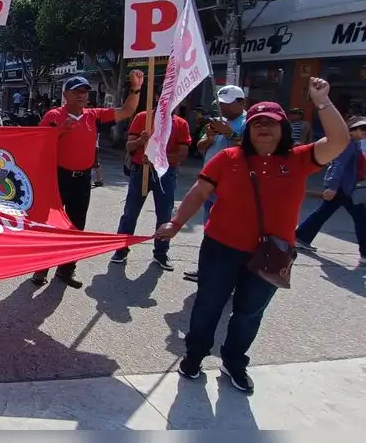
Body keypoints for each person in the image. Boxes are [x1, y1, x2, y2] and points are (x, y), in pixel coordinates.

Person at [155, 80, 348, 394]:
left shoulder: (299, 159)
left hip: (272, 253)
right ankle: (194, 356)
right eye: (257, 122)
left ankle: (233, 362)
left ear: (283, 129)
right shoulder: (228, 158)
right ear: (248, 130)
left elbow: (339, 141)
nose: (263, 128)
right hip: (220, 249)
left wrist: (323, 102)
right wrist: (176, 223)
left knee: (248, 313)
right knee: (208, 305)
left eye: (270, 123)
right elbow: (199, 192)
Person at [31, 72, 143, 288]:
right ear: (66, 95)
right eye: (77, 92)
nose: (82, 96)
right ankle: (40, 269)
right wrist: (60, 132)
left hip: (82, 180)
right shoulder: (54, 115)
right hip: (57, 177)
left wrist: (135, 89)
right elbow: (39, 142)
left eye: (85, 92)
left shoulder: (94, 115)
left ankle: (66, 269)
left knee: (76, 227)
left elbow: (127, 111)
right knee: (49, 226)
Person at [110, 108, 192, 269]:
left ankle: (161, 252)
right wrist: (141, 140)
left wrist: (158, 157)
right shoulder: (143, 118)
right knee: (130, 213)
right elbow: (129, 147)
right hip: (141, 170)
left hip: (166, 173)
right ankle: (121, 249)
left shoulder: (180, 124)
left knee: (164, 215)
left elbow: (182, 154)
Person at [183, 85, 247, 282]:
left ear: (241, 103)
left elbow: (250, 149)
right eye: (220, 105)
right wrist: (209, 137)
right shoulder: (218, 121)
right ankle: (205, 270)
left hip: (233, 186)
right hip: (210, 184)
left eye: (226, 105)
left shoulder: (249, 122)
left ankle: (228, 275)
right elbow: (200, 146)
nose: (222, 109)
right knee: (209, 229)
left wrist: (229, 133)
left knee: (228, 233)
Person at [295, 117, 366, 263]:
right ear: (352, 131)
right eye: (362, 129)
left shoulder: (355, 144)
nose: (364, 132)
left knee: (323, 213)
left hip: (345, 188)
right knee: (362, 219)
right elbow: (337, 166)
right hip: (344, 189)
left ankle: (301, 236)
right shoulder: (348, 145)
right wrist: (332, 187)